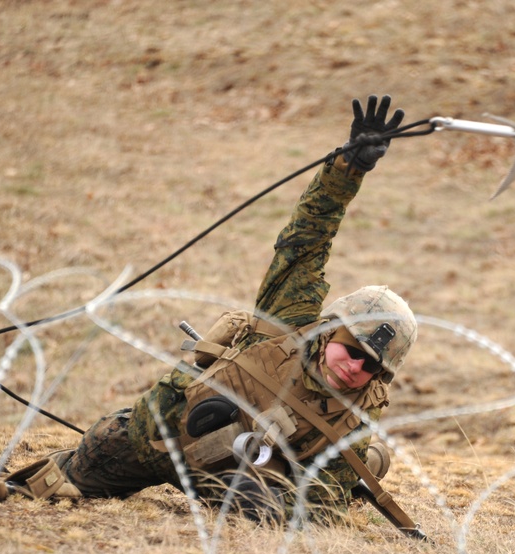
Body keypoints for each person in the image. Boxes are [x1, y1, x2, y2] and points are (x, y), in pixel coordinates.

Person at [27, 94, 417, 527]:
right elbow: (308, 237)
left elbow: (324, 505)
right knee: (72, 472)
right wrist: (348, 169)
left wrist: (271, 508)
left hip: (233, 478)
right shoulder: (289, 317)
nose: (354, 367)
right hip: (157, 439)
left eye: (370, 366)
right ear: (332, 330)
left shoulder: (356, 415)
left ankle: (337, 474)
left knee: (282, 494)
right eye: (351, 349)